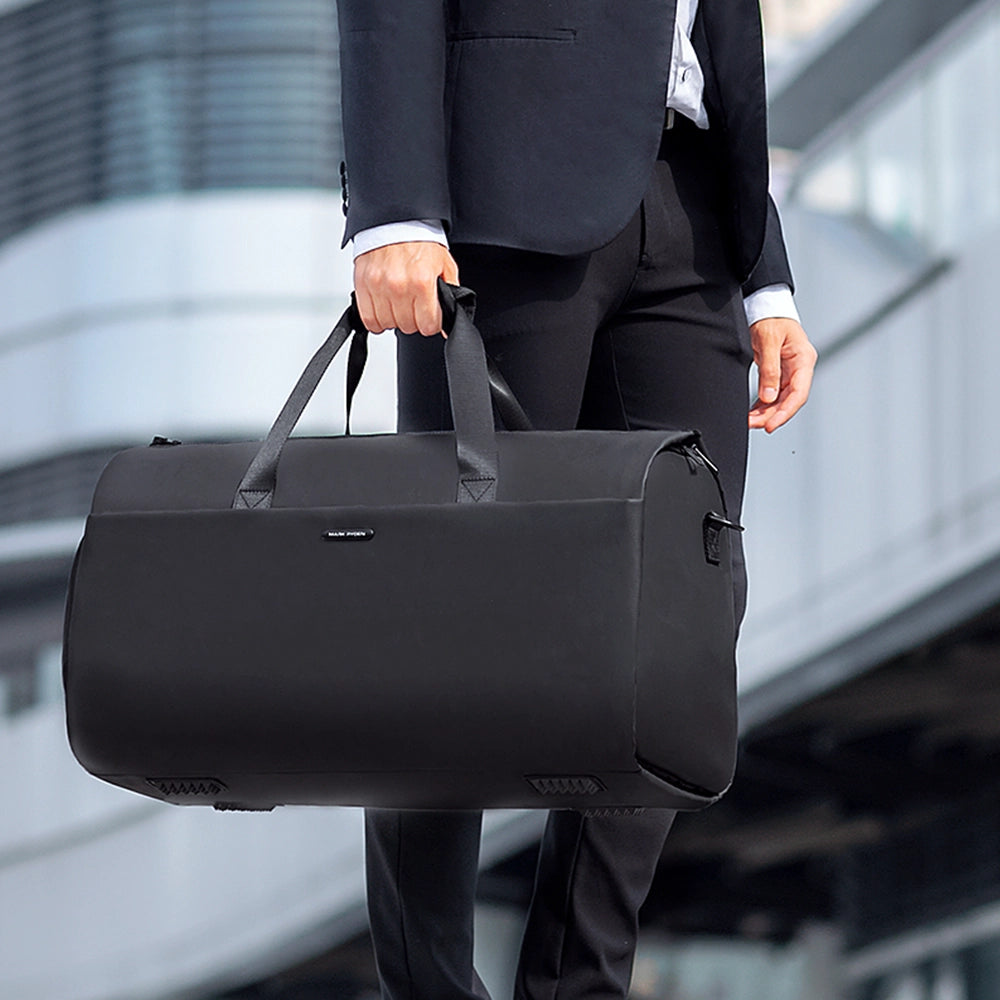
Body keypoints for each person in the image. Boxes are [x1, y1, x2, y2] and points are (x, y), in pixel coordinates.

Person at [336, 2, 818, 999]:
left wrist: (765, 278)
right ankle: (425, 981)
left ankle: (576, 983)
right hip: (506, 188)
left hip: (692, 210)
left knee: (683, 618)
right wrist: (393, 208)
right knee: (458, 609)